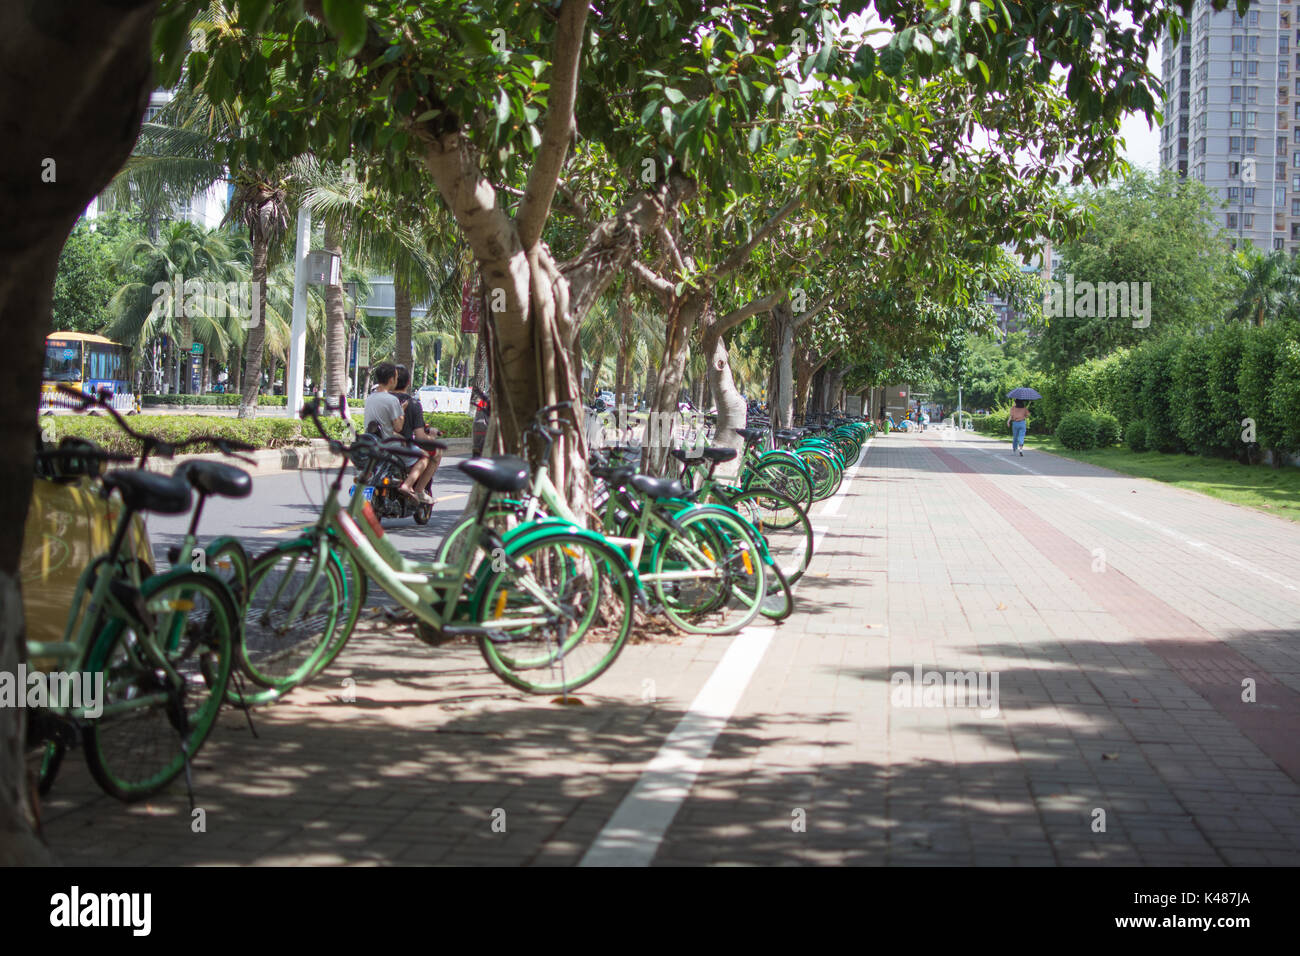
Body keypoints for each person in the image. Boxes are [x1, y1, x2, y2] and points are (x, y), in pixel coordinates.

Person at [362, 362, 422, 501]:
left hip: (372, 443)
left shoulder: (370, 398)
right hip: (390, 446)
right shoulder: (392, 400)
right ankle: (407, 485)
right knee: (423, 458)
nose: (396, 380)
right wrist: (402, 409)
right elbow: (398, 427)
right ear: (391, 380)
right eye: (395, 377)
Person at [393, 365, 443, 503]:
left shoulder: (380, 399)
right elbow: (420, 437)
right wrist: (432, 437)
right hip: (402, 447)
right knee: (435, 453)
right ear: (408, 382)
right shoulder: (413, 404)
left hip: (378, 444)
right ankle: (419, 490)